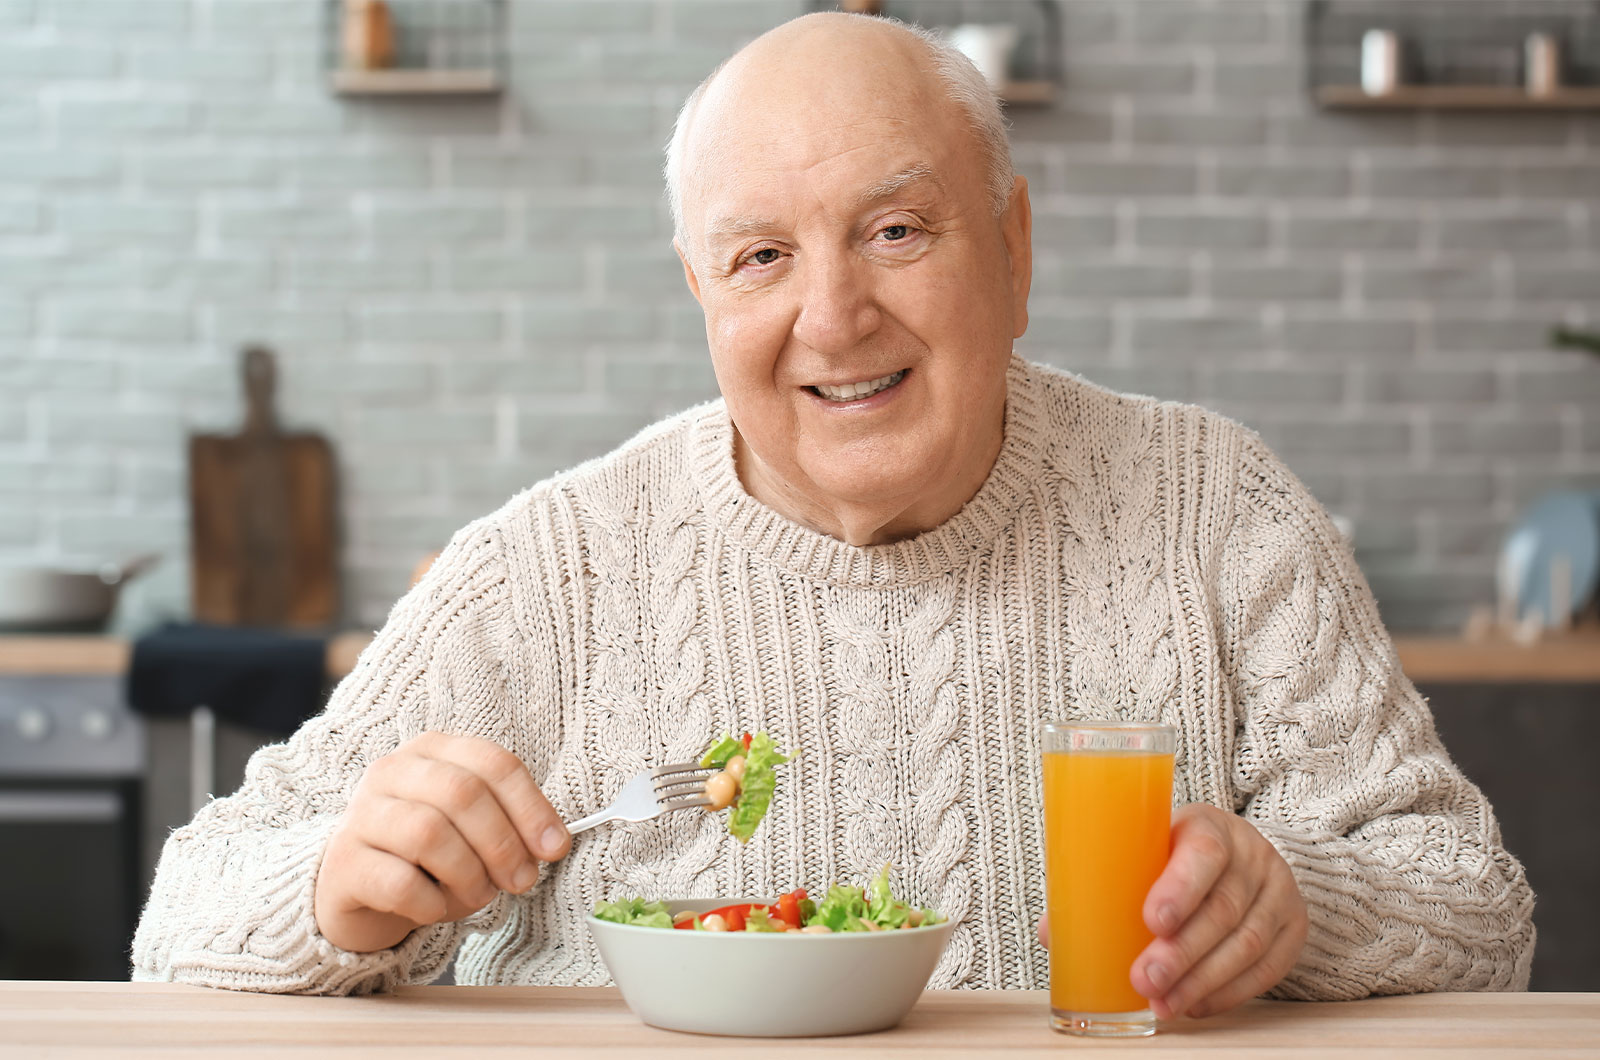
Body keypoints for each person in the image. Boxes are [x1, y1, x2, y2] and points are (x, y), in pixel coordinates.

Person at [132, 13, 1534, 1015]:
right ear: (701, 295)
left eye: (896, 231)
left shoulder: (1216, 512)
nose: (833, 316)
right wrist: (340, 889)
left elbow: (1476, 908)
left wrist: (1299, 907)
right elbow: (183, 914)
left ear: (1015, 247)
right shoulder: (543, 573)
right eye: (760, 257)